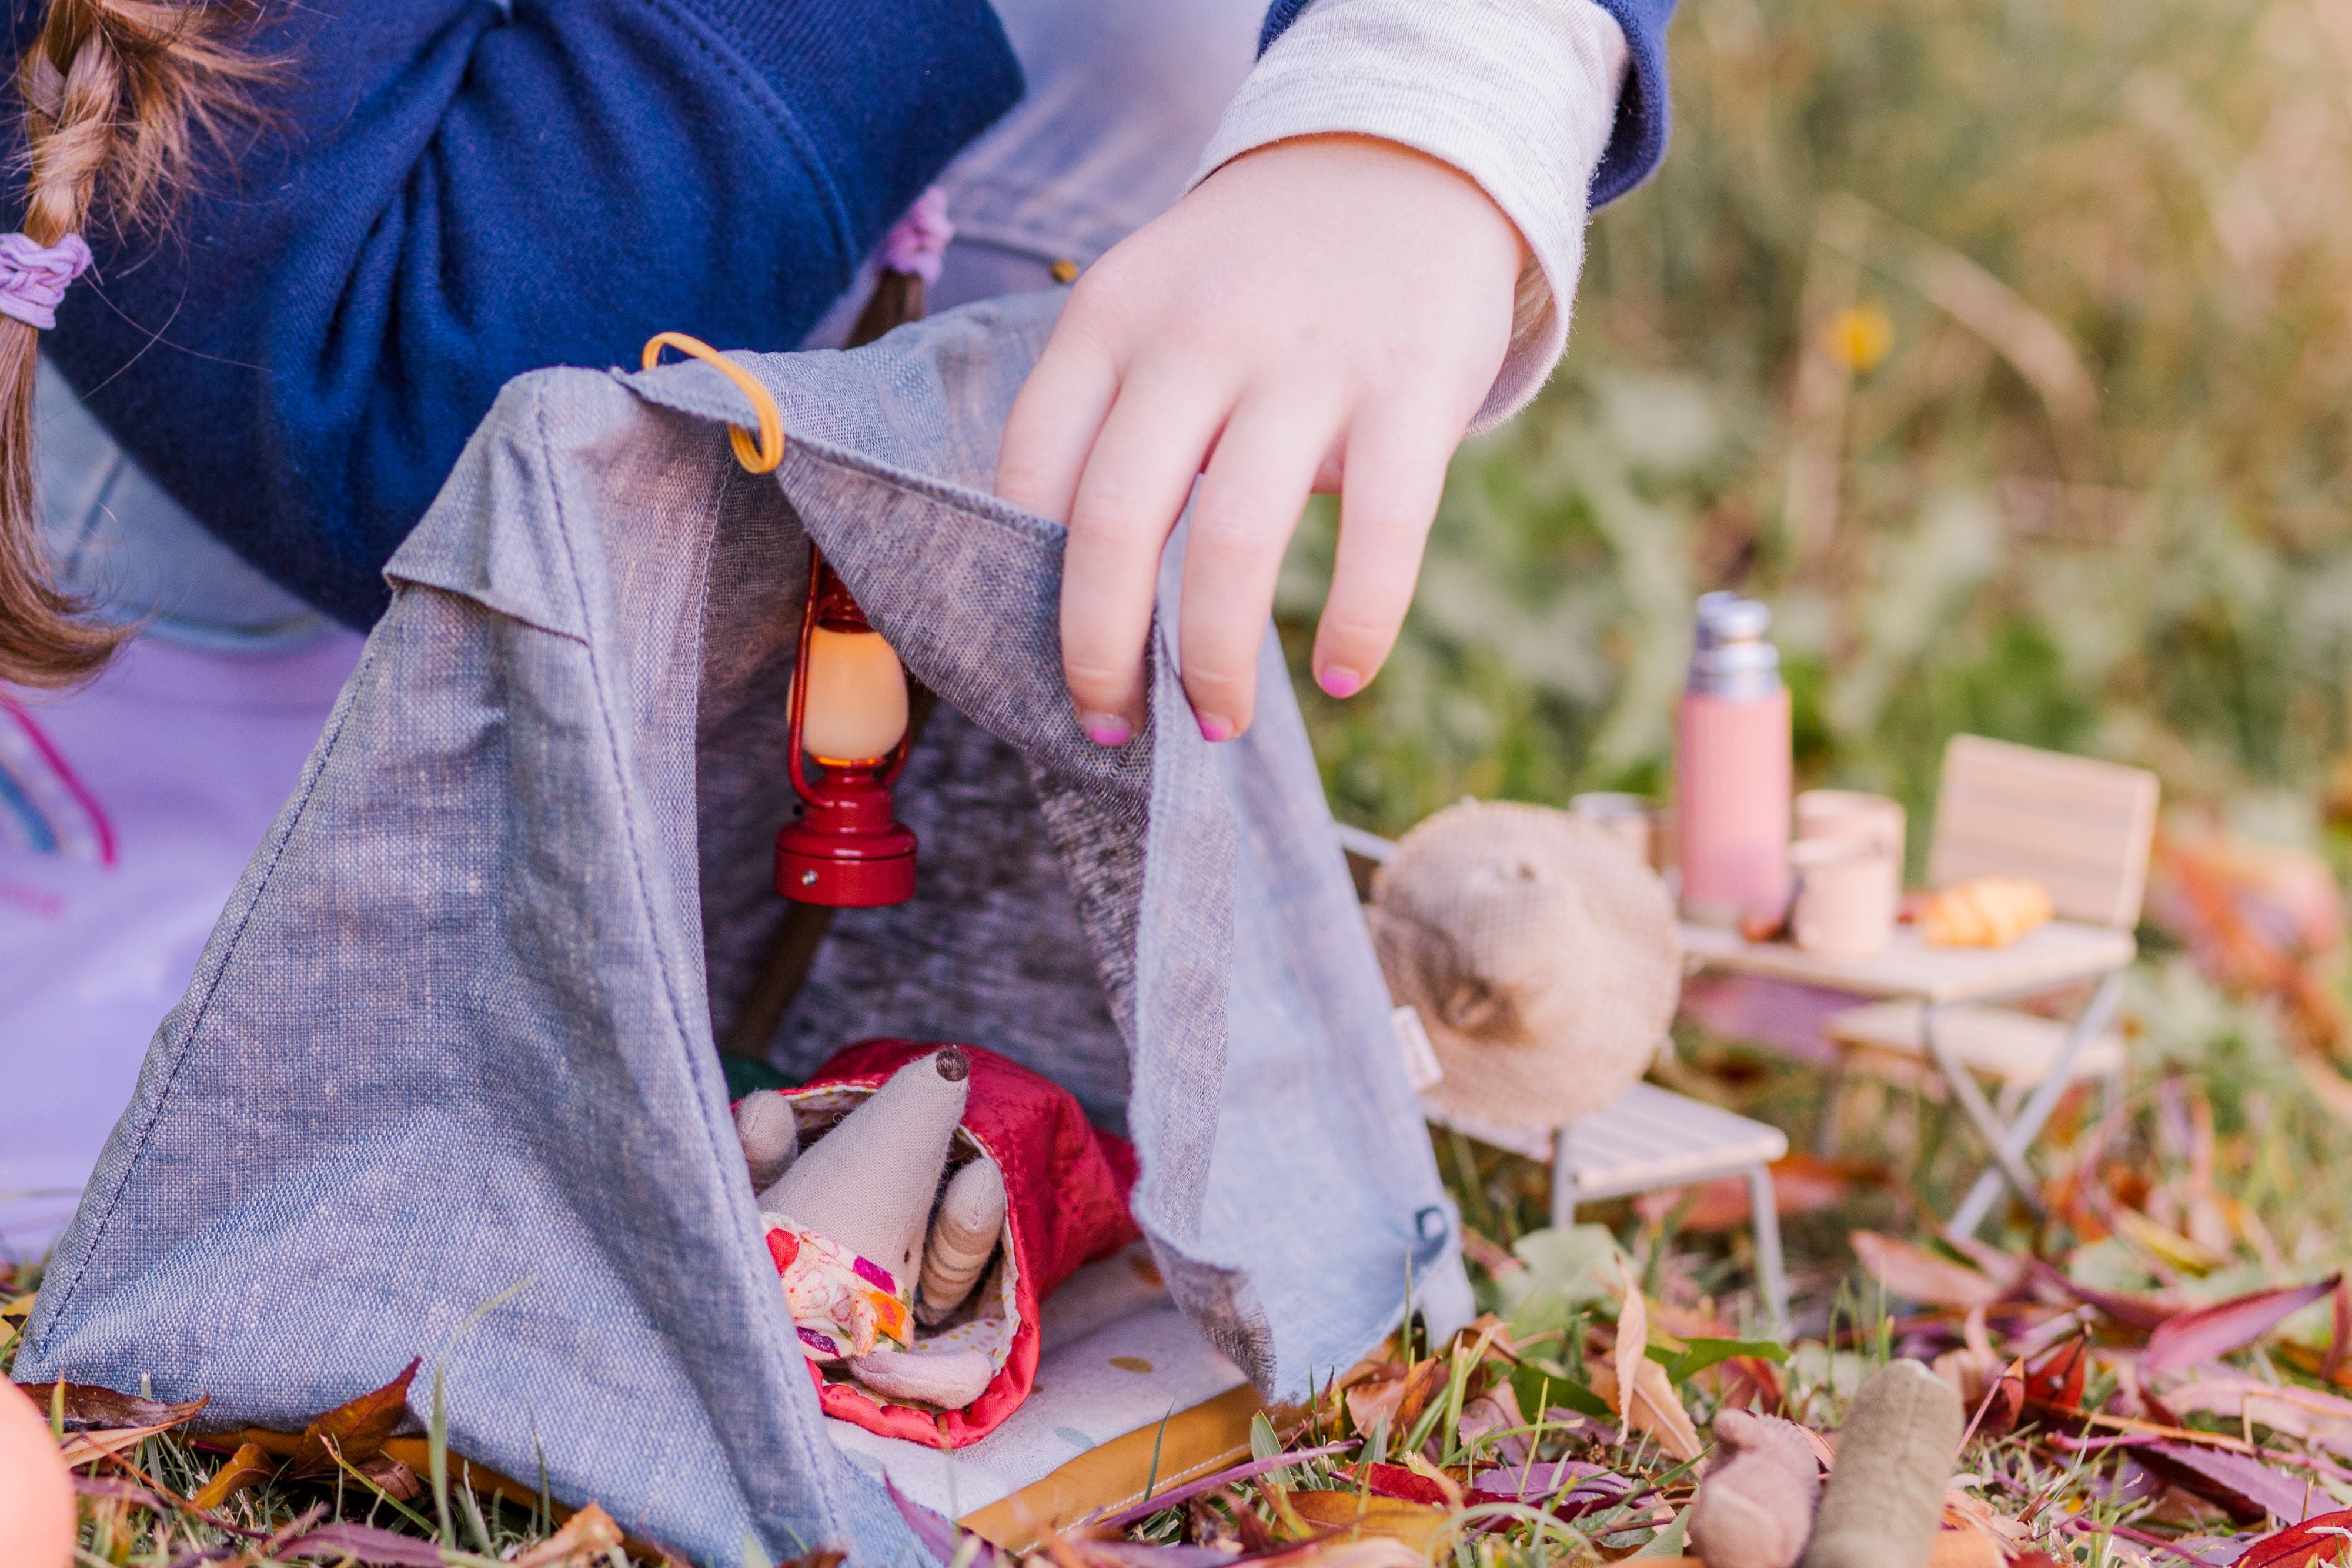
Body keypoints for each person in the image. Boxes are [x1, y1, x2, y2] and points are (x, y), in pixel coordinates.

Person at [0, 0, 1671, 1248]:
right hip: (227, 500)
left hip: (722, 499)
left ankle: (824, 845)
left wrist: (1426, 102)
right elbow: (383, 395)